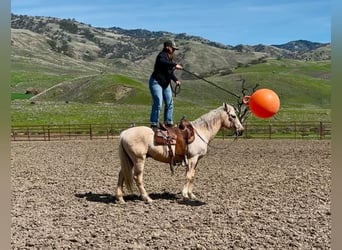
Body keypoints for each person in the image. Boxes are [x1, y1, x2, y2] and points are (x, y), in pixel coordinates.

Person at [149, 40, 183, 130]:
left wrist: (176, 80)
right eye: (173, 48)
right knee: (158, 103)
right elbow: (164, 63)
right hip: (156, 82)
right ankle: (154, 124)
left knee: (170, 103)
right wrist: (175, 65)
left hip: (166, 84)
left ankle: (168, 122)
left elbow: (169, 73)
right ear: (168, 47)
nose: (174, 50)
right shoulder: (161, 56)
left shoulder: (169, 58)